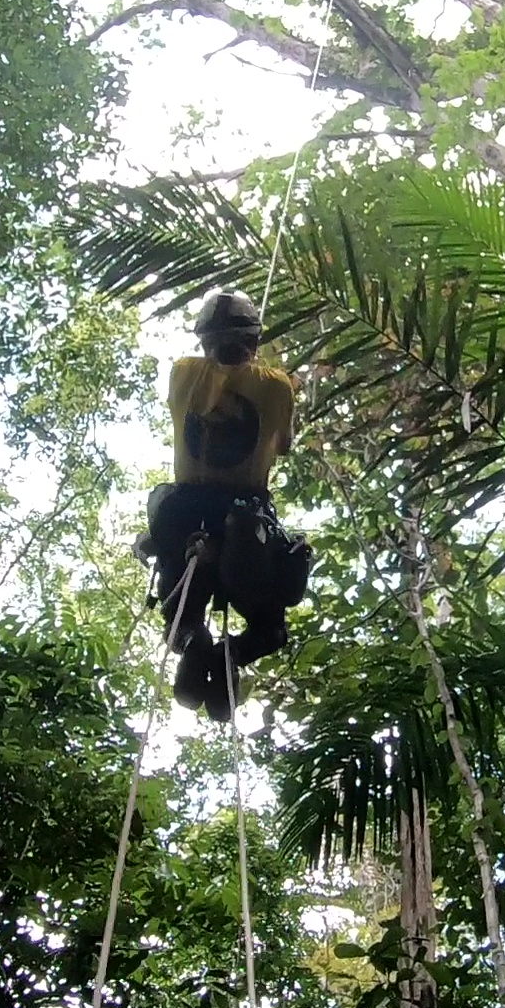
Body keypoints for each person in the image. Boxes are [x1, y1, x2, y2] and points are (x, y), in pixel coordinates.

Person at [139, 290, 309, 719]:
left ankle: (200, 646)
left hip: (187, 517)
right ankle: (229, 655)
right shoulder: (277, 386)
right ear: (253, 343)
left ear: (202, 343)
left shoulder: (182, 373)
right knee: (269, 630)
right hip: (244, 518)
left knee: (180, 618)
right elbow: (284, 445)